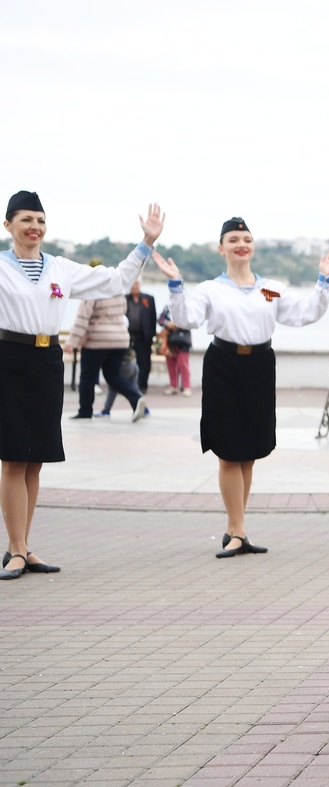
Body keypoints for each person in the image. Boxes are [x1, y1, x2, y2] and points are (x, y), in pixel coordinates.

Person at [151, 217, 329, 559]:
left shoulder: (271, 287)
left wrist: (323, 280)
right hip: (223, 365)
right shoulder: (211, 288)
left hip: (260, 366)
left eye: (247, 239)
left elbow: (306, 313)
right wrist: (176, 284)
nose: (242, 244)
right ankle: (236, 529)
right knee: (228, 451)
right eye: (234, 239)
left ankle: (236, 528)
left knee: (250, 451)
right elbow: (187, 318)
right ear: (221, 248)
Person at [1, 191, 164, 580]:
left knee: (35, 457)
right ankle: (14, 549)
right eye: (26, 220)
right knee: (12, 456)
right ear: (8, 225)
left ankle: (25, 544)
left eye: (40, 220)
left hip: (46, 361)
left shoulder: (59, 267)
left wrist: (146, 243)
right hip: (9, 358)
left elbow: (115, 280)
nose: (34, 227)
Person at [62, 261, 149, 422]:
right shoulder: (118, 291)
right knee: (113, 375)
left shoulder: (92, 291)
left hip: (98, 341)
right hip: (120, 340)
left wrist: (72, 342)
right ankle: (136, 399)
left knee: (87, 376)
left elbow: (83, 318)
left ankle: (85, 411)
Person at [125, 278, 157, 394]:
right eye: (132, 283)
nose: (134, 286)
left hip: (143, 336)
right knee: (125, 361)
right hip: (128, 335)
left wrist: (151, 336)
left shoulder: (148, 299)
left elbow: (153, 318)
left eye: (136, 283)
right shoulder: (125, 299)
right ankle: (126, 384)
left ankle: (142, 385)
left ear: (140, 285)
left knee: (144, 362)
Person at [157, 304, 192, 396]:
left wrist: (177, 325)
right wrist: (168, 324)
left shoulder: (186, 308)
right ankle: (173, 386)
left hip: (183, 341)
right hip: (170, 341)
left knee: (183, 365)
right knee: (171, 365)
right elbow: (160, 320)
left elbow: (191, 322)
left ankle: (186, 387)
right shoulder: (167, 307)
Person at [99, 349, 140, 416]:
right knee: (133, 387)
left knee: (114, 386)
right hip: (132, 363)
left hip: (122, 364)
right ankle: (144, 408)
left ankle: (106, 410)